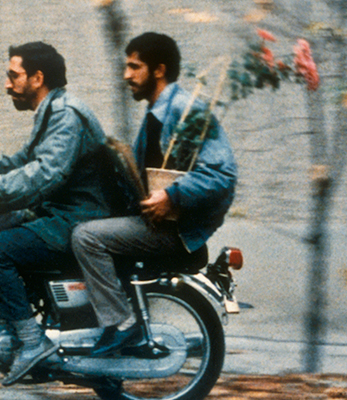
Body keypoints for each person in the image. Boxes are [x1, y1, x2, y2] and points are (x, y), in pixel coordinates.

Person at [0, 41, 113, 385]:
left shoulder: (66, 115)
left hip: (76, 218)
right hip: (60, 211)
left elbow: (46, 173)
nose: (7, 84)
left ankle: (31, 341)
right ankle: (3, 322)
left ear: (37, 78)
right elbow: (21, 161)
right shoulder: (53, 110)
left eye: (14, 75)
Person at [71, 32, 237, 357]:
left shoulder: (185, 110)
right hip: (155, 222)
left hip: (175, 231)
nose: (126, 75)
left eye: (134, 67)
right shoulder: (157, 113)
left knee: (87, 238)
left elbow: (222, 174)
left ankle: (122, 325)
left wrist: (172, 195)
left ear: (158, 70)